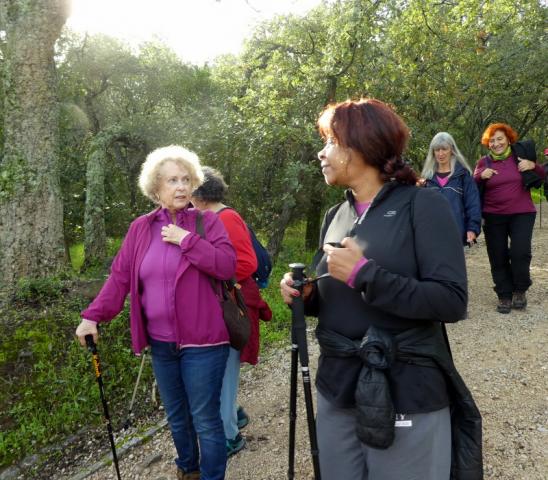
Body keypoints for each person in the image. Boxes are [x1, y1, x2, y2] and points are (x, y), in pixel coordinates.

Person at [280, 99, 482, 480]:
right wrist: (306, 296)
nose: (321, 152)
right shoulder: (335, 216)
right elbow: (335, 296)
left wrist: (364, 275)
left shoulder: (424, 205)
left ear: (361, 145)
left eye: (329, 141)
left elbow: (451, 300)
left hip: (407, 385)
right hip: (338, 385)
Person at [75, 146, 236, 480]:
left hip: (204, 343)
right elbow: (120, 278)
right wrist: (93, 316)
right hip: (162, 345)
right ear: (155, 189)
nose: (180, 187)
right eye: (171, 180)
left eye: (185, 179)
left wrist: (186, 241)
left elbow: (226, 266)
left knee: (205, 419)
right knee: (177, 418)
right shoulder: (141, 229)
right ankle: (188, 471)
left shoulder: (207, 223)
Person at [191, 167, 272, 457]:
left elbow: (246, 263)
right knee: (217, 370)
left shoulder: (226, 217)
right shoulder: (204, 217)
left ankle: (230, 436)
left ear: (200, 193)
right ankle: (233, 415)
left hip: (230, 305)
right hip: (214, 304)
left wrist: (212, 274)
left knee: (224, 371)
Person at [473, 123, 546, 314]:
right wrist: (481, 176)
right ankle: (504, 295)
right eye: (492, 141)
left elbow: (543, 175)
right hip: (493, 215)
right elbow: (472, 186)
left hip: (522, 213)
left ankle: (520, 290)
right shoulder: (483, 163)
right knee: (497, 255)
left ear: (508, 139)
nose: (496, 143)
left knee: (520, 252)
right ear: (487, 144)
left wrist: (532, 165)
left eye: (500, 139)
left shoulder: (519, 157)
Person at [421, 132, 481, 246]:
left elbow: (473, 204)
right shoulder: (427, 179)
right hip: (432, 235)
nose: (441, 153)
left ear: (452, 150)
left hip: (456, 234)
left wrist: (472, 228)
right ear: (432, 152)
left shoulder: (463, 175)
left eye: (444, 149)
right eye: (437, 150)